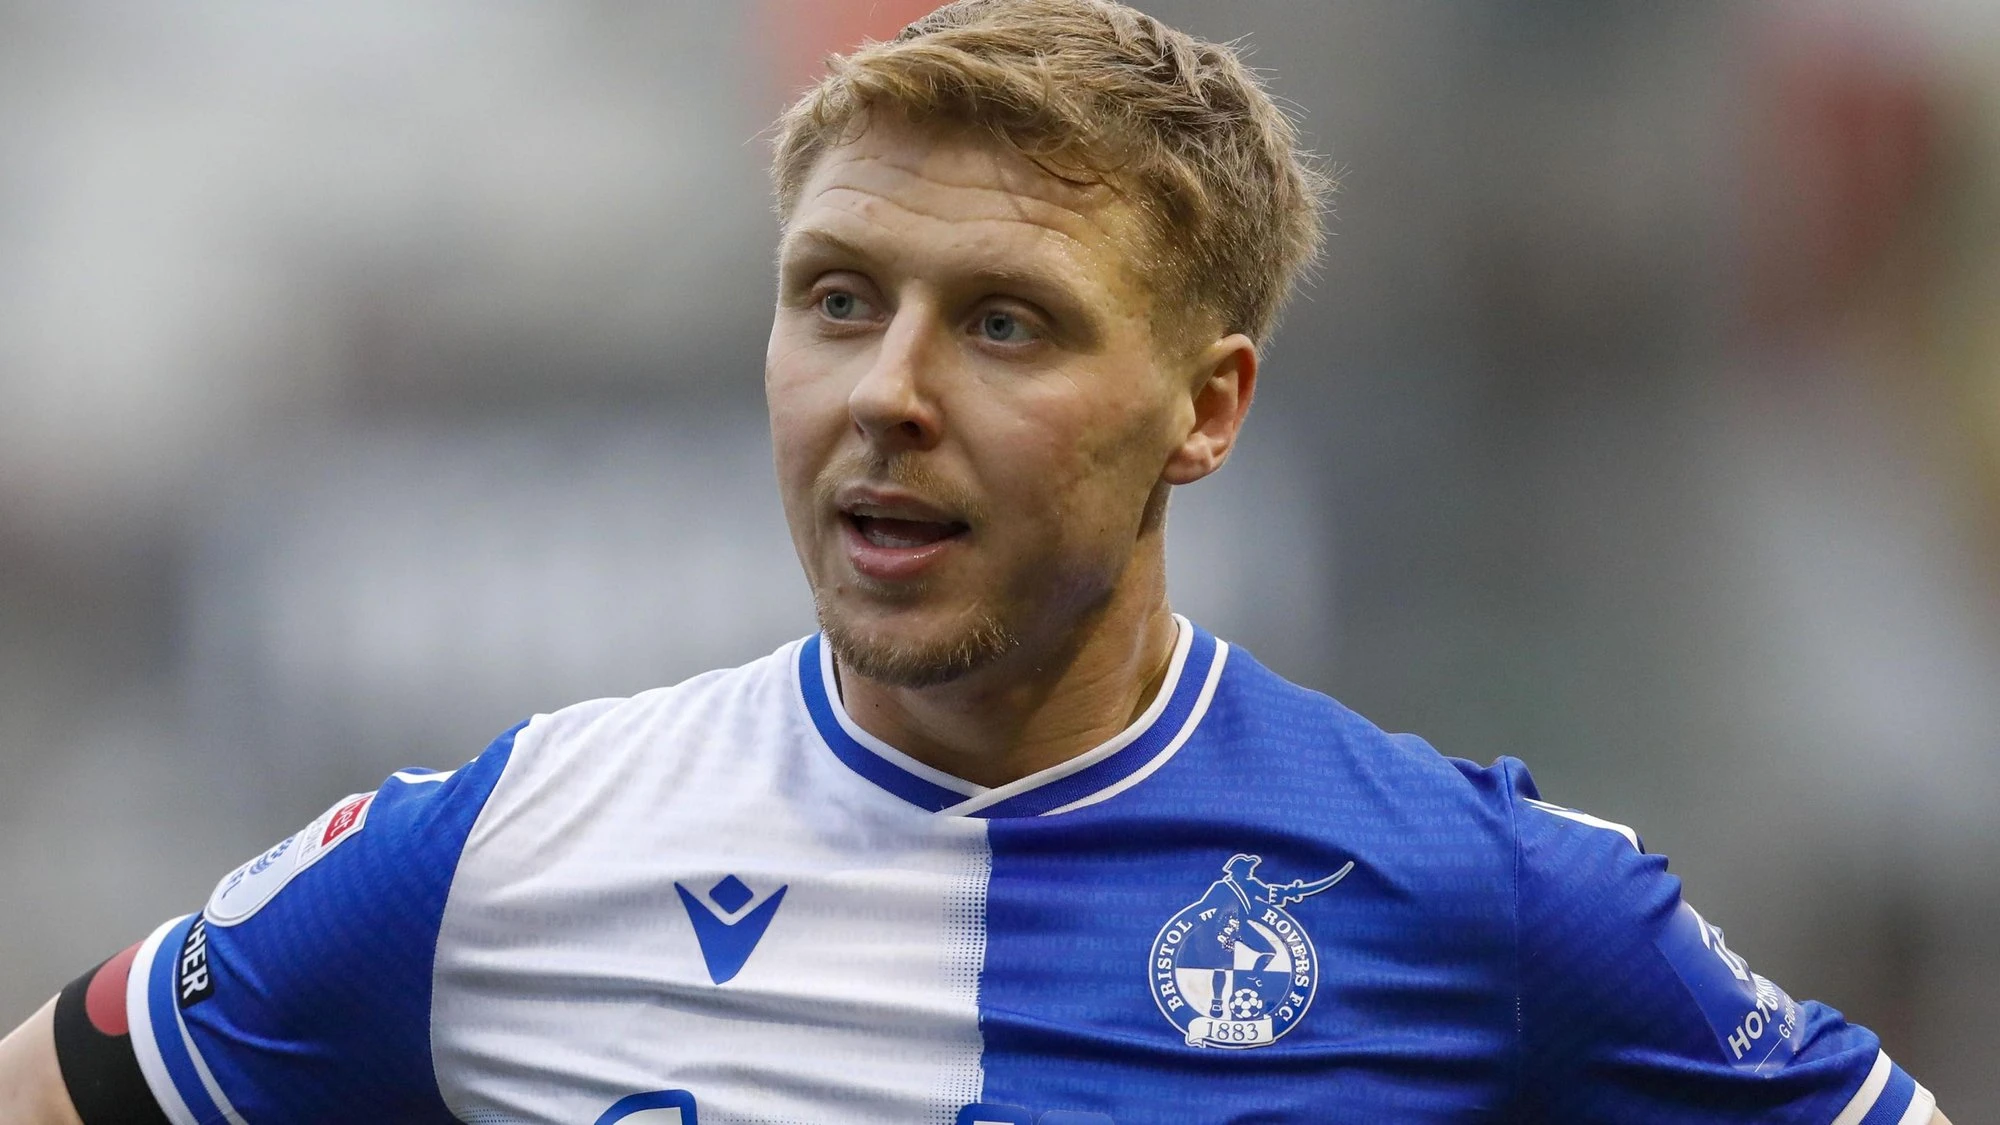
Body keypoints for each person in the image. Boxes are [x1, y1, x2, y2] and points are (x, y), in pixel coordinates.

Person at [0, 1, 1955, 1122]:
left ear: (1206, 408)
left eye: (1005, 324)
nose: (887, 393)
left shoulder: (1484, 898)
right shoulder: (495, 857)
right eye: (837, 299)